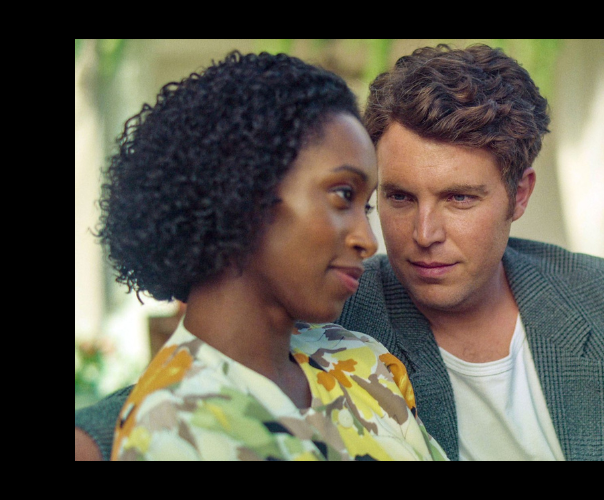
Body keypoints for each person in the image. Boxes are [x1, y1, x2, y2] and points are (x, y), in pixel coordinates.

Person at [77, 43, 604, 461]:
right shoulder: (341, 304)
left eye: (459, 199)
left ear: (519, 197)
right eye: (396, 198)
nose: (419, 234)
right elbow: (196, 381)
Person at [79, 50, 447, 461]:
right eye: (343, 195)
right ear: (241, 190)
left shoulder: (363, 362)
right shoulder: (173, 434)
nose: (368, 240)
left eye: (367, 207)